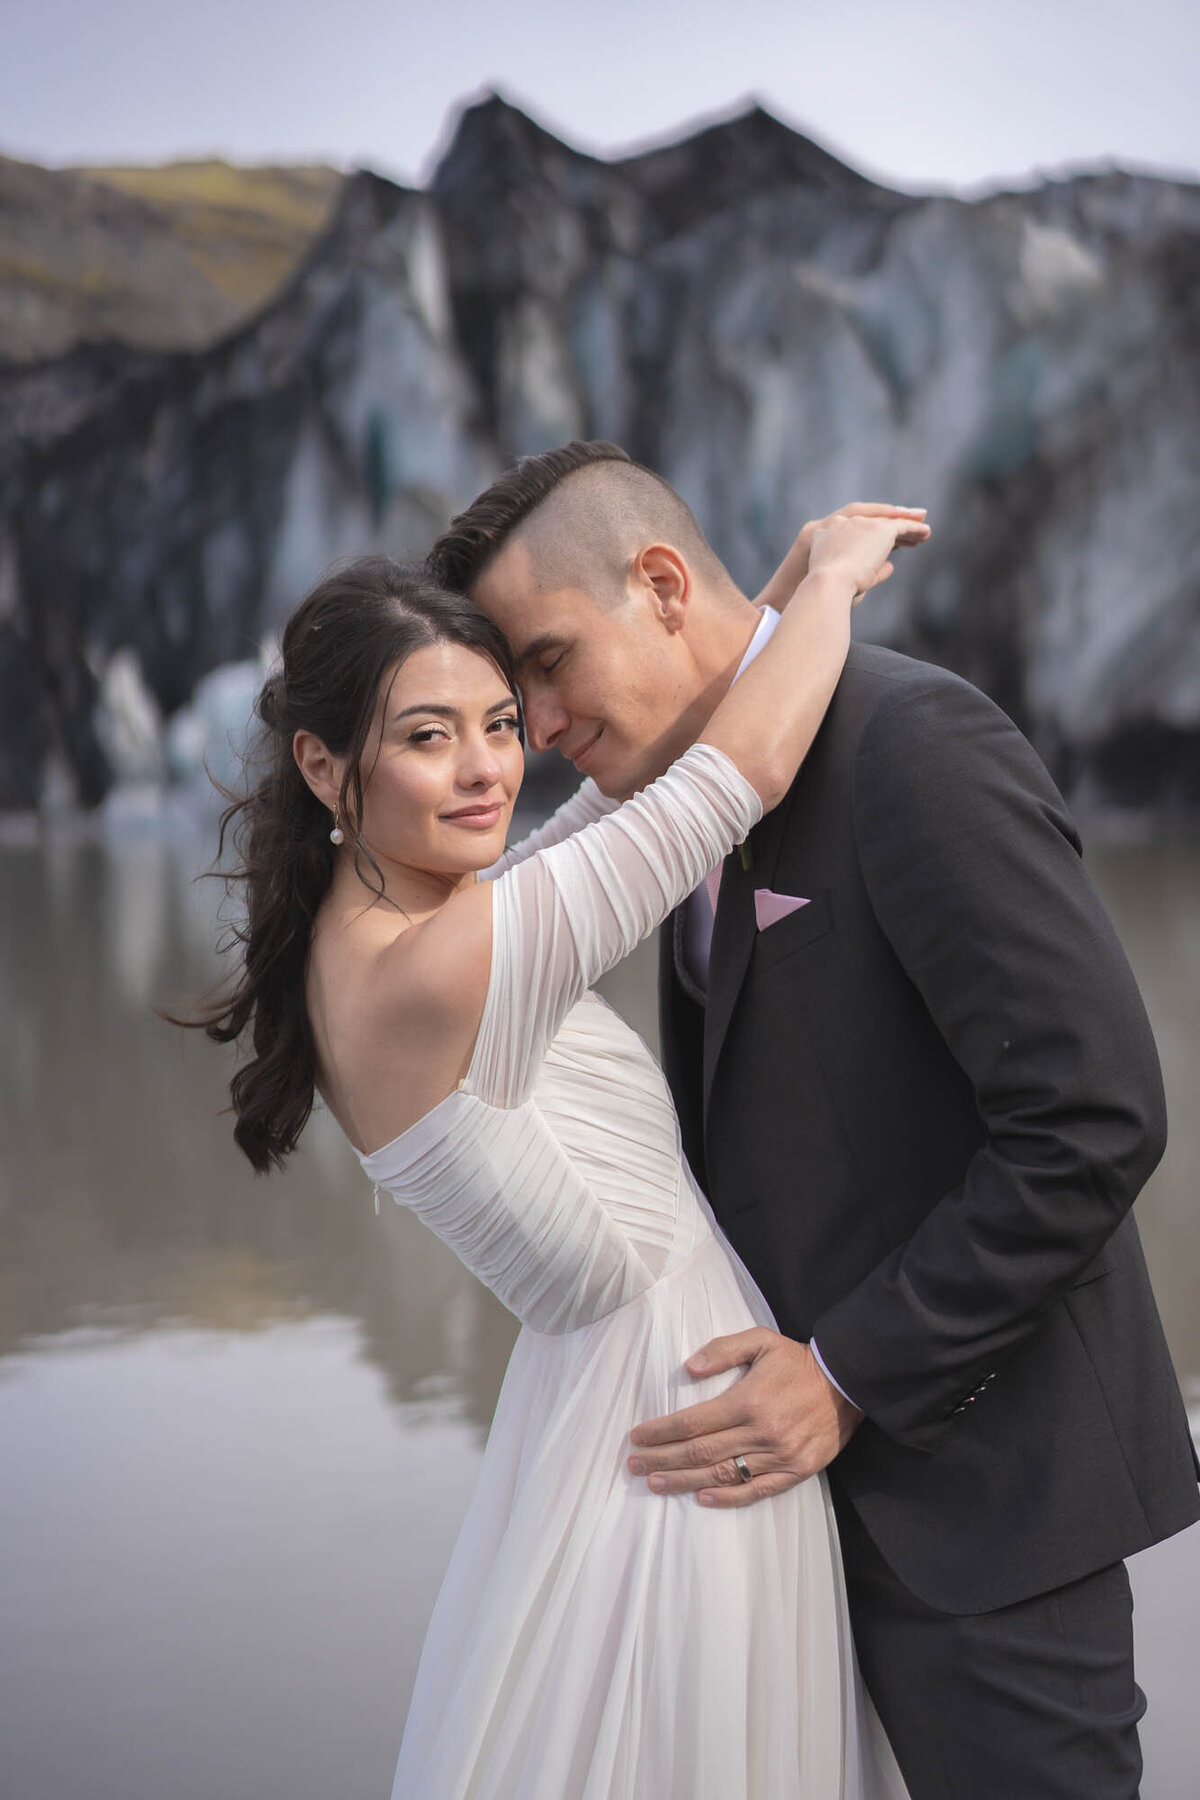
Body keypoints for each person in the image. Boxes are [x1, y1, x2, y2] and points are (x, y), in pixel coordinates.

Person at [430, 441, 1200, 1800]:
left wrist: (846, 1375)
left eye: (549, 662)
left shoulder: (914, 745)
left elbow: (1092, 1118)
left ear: (663, 585)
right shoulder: (684, 802)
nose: (538, 727)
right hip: (783, 1527)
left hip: (985, 1515)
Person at [189, 532, 925, 1797]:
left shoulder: (393, 924)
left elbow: (608, 808)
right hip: (679, 1439)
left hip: (623, 1413)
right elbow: (729, 778)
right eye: (427, 737)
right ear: (324, 764)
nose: (485, 771)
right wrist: (844, 581)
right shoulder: (437, 969)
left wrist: (782, 590)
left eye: (497, 722)